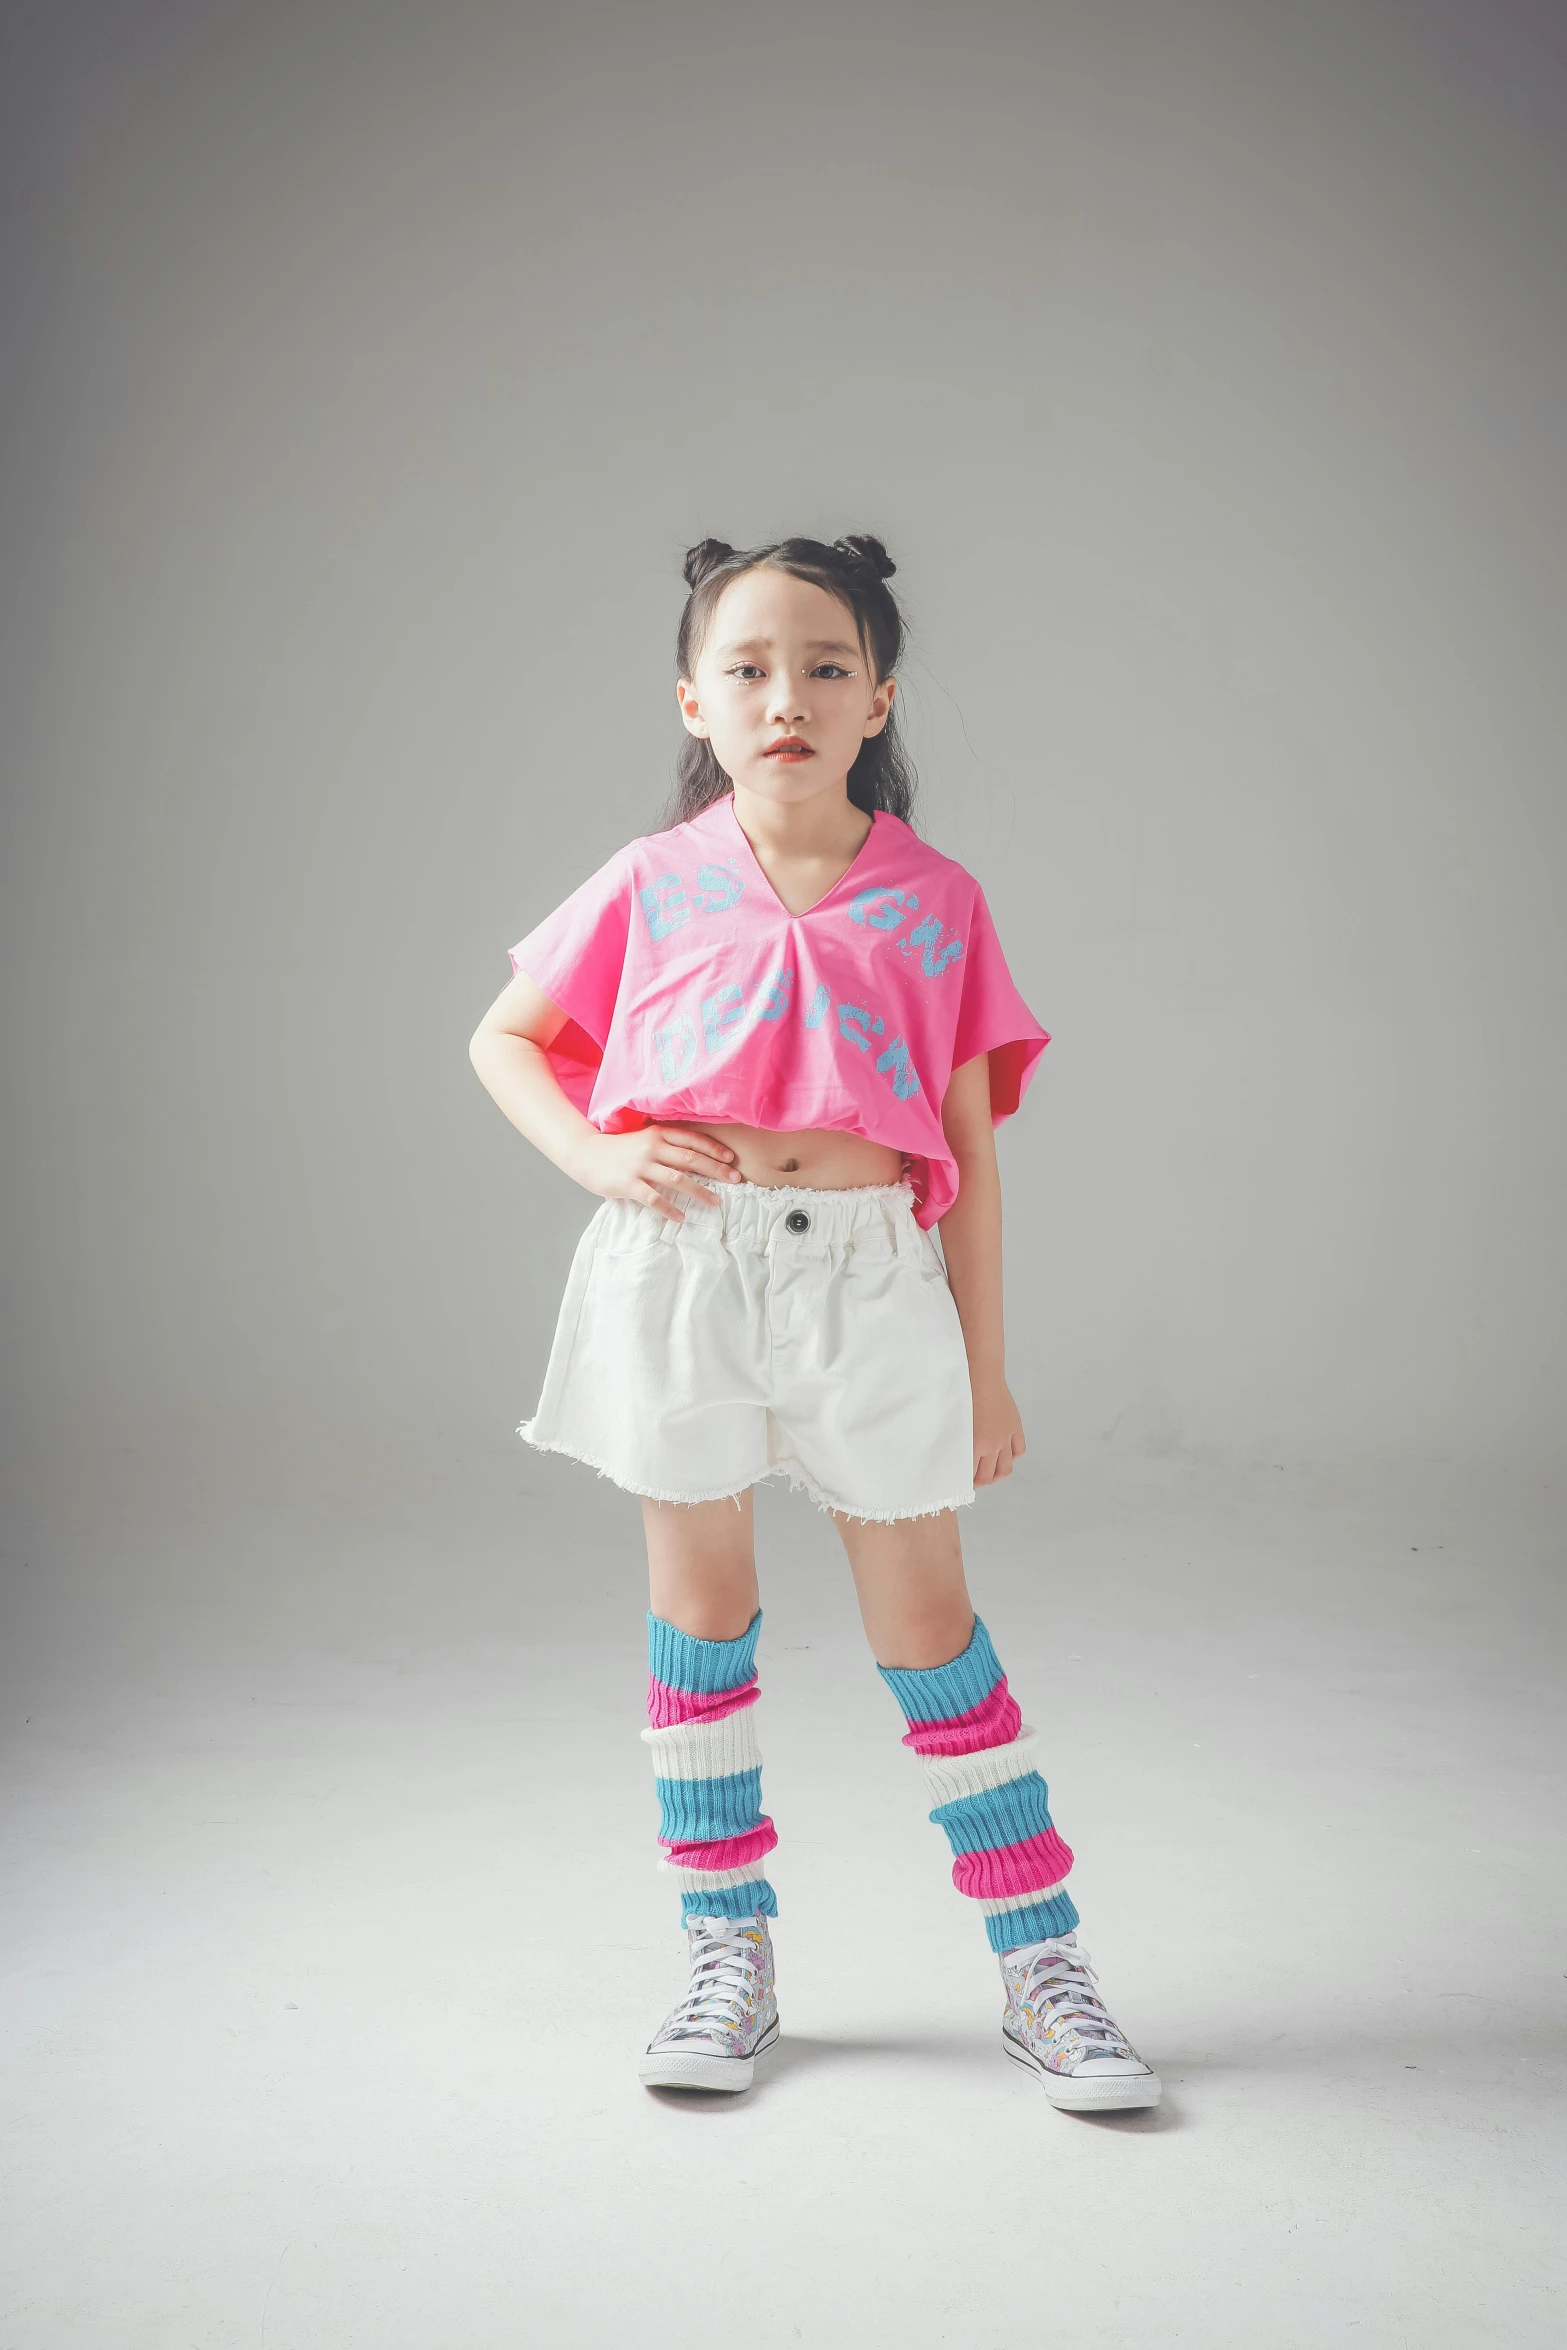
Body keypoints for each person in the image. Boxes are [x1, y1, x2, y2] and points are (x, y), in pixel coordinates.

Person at [469, 533, 1159, 2113]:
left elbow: (969, 1158)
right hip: (684, 1268)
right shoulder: (649, 883)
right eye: (750, 667)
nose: (787, 695)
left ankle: (1039, 1960)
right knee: (698, 1615)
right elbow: (506, 1038)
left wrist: (984, 1367)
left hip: (867, 1277)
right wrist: (594, 1152)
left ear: (879, 697)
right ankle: (728, 1948)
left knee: (927, 1625)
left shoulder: (934, 901)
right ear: (694, 701)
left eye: (825, 667)